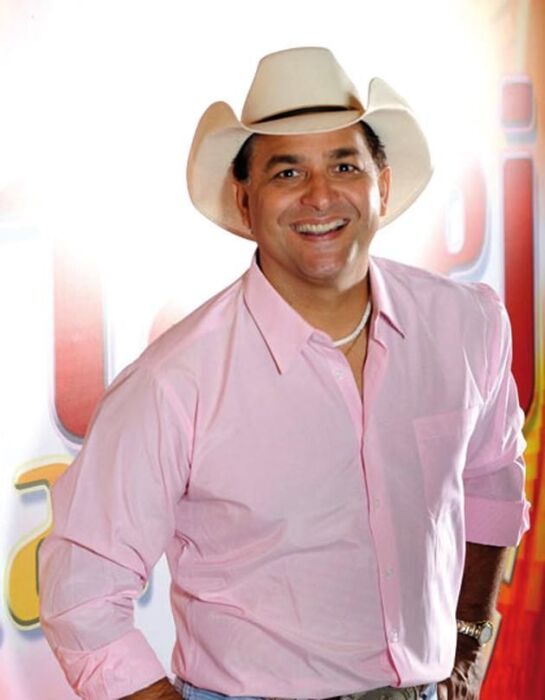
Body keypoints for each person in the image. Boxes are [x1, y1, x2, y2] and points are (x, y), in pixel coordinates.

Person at [39, 47, 530, 700]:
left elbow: (490, 479)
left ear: (382, 187)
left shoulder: (466, 325)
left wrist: (468, 640)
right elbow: (82, 591)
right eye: (288, 171)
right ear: (245, 201)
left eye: (344, 165)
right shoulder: (175, 382)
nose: (319, 195)